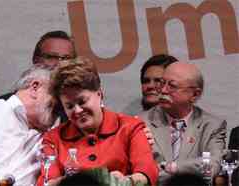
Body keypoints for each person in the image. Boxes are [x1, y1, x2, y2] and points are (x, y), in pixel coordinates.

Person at [36, 58, 158, 186]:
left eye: (82, 101)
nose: (77, 110)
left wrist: (127, 181)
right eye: (69, 106)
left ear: (100, 93)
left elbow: (147, 173)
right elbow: (47, 182)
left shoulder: (131, 127)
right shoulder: (53, 139)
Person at [139, 62, 227, 183]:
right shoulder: (140, 122)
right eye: (162, 83)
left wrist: (173, 167)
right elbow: (141, 171)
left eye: (172, 86)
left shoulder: (212, 125)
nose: (163, 90)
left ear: (195, 94)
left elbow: (212, 165)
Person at [0, 30, 76, 100]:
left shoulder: (83, 108)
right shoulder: (6, 104)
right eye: (51, 57)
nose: (59, 64)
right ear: (35, 60)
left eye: (66, 58)